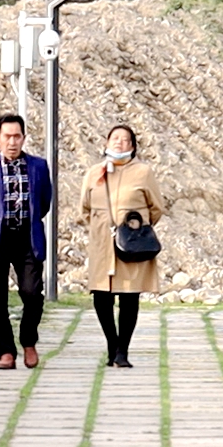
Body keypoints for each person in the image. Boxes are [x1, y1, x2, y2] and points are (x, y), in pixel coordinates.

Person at [0, 113, 54, 370]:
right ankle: (5, 351)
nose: (12, 142)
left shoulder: (38, 167)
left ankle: (28, 341)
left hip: (27, 237)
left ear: (24, 138)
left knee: (32, 293)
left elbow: (44, 203)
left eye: (17, 136)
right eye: (7, 137)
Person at [81, 124, 163, 368]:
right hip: (102, 242)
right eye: (114, 138)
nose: (119, 142)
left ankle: (122, 351)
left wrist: (135, 229)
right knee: (101, 295)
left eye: (125, 139)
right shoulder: (94, 173)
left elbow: (156, 208)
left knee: (129, 295)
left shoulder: (143, 172)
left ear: (133, 146)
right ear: (106, 143)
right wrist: (101, 225)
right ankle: (112, 344)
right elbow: (84, 209)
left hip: (131, 244)